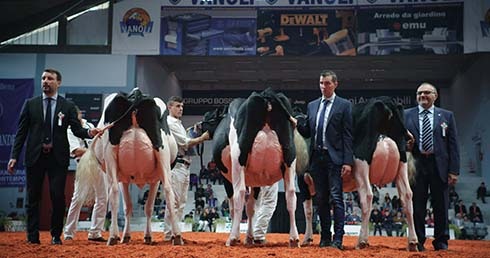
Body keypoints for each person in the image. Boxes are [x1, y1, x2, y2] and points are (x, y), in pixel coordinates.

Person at [7, 68, 101, 245]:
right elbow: (21, 133)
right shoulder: (30, 104)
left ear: (58, 83)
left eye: (50, 78)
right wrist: (14, 156)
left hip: (57, 158)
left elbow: (77, 129)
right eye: (43, 78)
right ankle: (32, 237)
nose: (45, 81)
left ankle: (56, 235)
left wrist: (90, 132)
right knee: (32, 197)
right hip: (35, 156)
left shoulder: (67, 106)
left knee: (57, 196)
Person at [295, 70, 354, 250]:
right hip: (316, 158)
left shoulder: (344, 105)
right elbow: (307, 132)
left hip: (335, 158)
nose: (323, 86)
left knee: (336, 198)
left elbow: (347, 135)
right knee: (320, 199)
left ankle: (338, 240)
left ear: (335, 84)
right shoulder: (312, 105)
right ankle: (325, 238)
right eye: (321, 83)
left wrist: (347, 161)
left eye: (327, 83)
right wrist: (296, 123)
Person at [404, 82, 460, 251]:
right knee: (417, 205)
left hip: (439, 165)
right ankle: (418, 240)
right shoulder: (406, 115)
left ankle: (441, 241)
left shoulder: (447, 116)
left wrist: (454, 170)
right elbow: (398, 139)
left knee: (441, 205)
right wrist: (406, 145)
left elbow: (453, 145)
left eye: (427, 93)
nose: (422, 96)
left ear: (435, 96)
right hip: (416, 164)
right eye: (419, 93)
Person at [163, 95, 210, 240]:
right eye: (177, 106)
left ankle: (174, 232)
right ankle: (169, 233)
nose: (181, 109)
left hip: (184, 166)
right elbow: (184, 143)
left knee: (181, 202)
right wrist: (203, 137)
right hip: (176, 165)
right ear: (169, 107)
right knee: (174, 201)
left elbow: (184, 138)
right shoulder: (170, 123)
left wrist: (192, 130)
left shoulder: (178, 124)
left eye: (182, 106)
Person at [63, 107, 107, 242]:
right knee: (78, 198)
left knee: (103, 197)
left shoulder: (90, 126)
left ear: (79, 114)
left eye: (76, 114)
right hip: (84, 165)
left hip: (99, 164)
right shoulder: (70, 130)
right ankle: (69, 232)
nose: (75, 117)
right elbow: (76, 150)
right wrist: (94, 152)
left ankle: (95, 232)